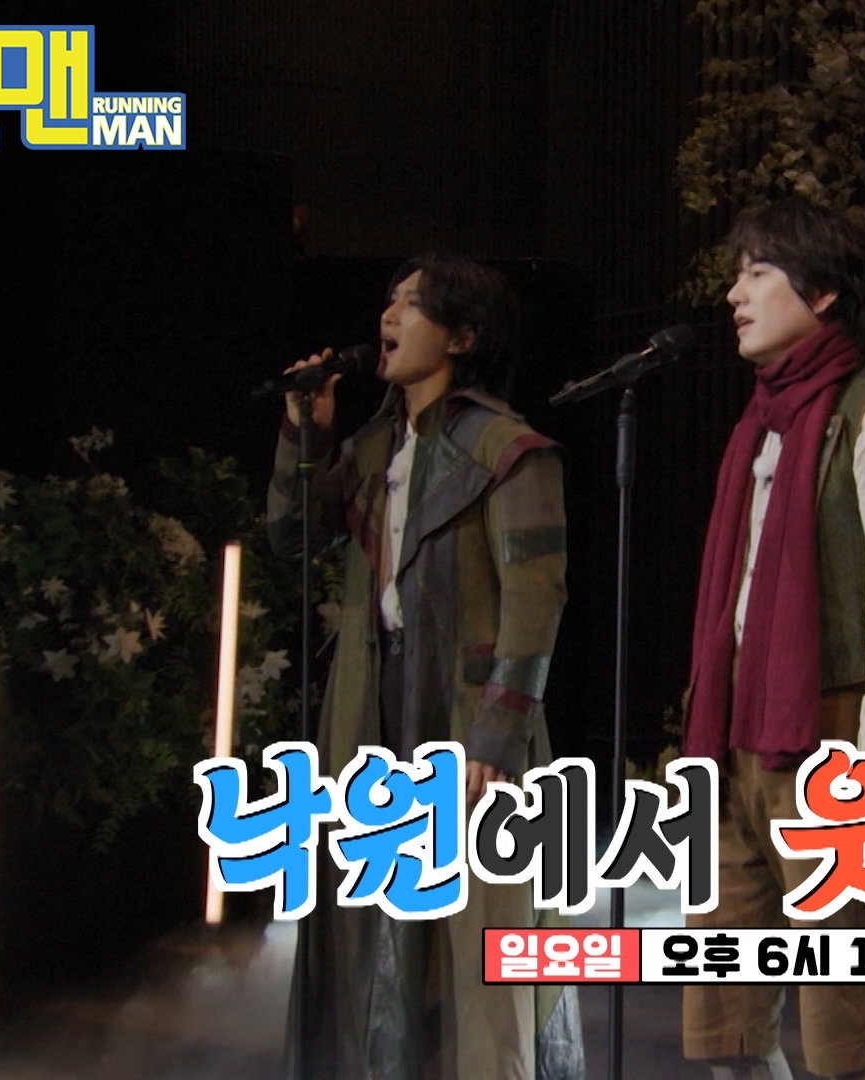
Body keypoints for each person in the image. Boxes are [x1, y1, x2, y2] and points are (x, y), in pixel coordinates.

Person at [267, 255, 582, 1079]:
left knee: (472, 936)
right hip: (371, 713)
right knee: (372, 928)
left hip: (462, 720)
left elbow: (535, 599)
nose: (388, 317)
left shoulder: (509, 450)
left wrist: (496, 734)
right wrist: (307, 431)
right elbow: (295, 539)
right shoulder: (374, 448)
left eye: (411, 305)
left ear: (462, 337)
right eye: (389, 302)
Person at [680, 199, 865, 1080]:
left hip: (829, 740)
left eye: (759, 273)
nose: (736, 294)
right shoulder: (758, 426)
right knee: (724, 1029)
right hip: (737, 739)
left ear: (824, 290)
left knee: (845, 1036)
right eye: (737, 275)